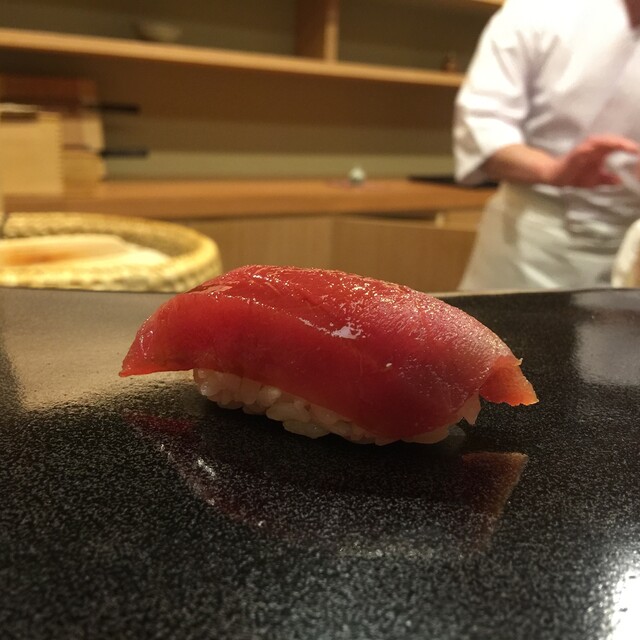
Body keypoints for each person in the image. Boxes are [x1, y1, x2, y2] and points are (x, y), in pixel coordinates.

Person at [454, 0, 640, 291]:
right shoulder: (538, 10)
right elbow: (483, 123)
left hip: (632, 241)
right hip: (533, 239)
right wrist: (552, 170)